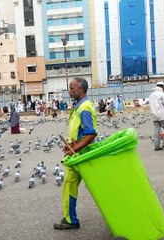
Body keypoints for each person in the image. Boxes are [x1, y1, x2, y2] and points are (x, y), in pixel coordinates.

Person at [54, 77, 97, 230]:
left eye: (72, 88)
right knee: (73, 185)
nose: (69, 91)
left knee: (70, 186)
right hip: (78, 152)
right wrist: (72, 144)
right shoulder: (80, 106)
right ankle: (70, 217)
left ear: (80, 89)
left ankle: (71, 220)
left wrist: (75, 149)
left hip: (79, 156)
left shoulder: (84, 108)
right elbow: (81, 133)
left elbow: (91, 134)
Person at [149, 82, 164, 151]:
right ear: (162, 87)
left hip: (154, 115)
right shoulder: (162, 94)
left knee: (157, 130)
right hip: (162, 115)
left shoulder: (151, 95)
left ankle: (157, 146)